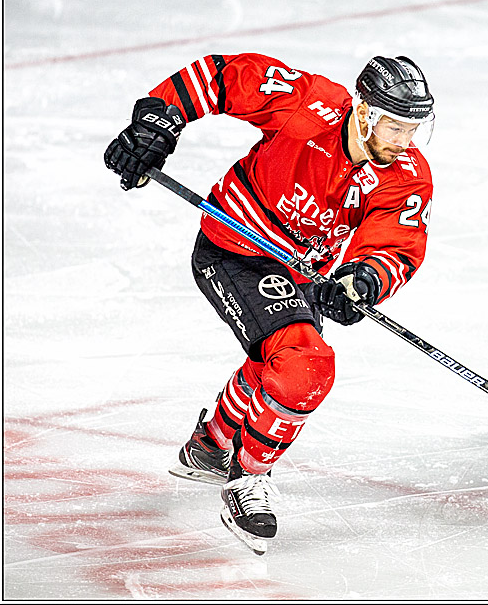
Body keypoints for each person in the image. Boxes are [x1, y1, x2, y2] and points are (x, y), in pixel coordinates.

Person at [103, 53, 435, 552]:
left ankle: (211, 446)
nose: (403, 141)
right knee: (305, 366)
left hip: (302, 271)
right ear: (363, 110)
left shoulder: (406, 173)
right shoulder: (309, 102)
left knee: (276, 366)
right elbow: (218, 77)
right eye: (393, 126)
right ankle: (247, 477)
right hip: (234, 251)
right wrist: (157, 121)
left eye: (413, 129)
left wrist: (364, 280)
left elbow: (395, 244)